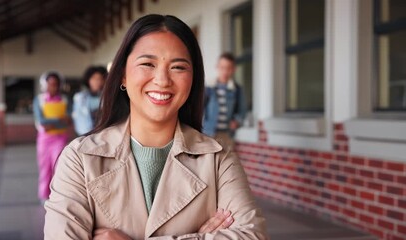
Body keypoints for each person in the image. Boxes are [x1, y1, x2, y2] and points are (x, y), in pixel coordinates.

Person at [44, 14, 267, 240]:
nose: (162, 80)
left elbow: (253, 235)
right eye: (148, 64)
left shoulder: (219, 159)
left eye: (178, 67)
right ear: (122, 74)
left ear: (193, 79)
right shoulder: (80, 159)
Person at [33, 71, 72, 202]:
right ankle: (44, 196)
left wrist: (52, 122)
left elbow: (68, 120)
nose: (53, 87)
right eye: (50, 84)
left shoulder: (65, 100)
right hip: (44, 140)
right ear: (44, 85)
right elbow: (42, 122)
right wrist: (59, 120)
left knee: (59, 166)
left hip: (60, 138)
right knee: (45, 168)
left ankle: (57, 195)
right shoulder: (39, 100)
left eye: (55, 84)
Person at [203, 53, 247, 147]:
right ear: (217, 67)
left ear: (233, 69)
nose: (225, 71)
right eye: (222, 67)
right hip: (208, 133)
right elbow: (200, 108)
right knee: (210, 160)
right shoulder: (209, 87)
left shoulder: (237, 89)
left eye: (228, 68)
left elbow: (242, 110)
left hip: (227, 134)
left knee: (227, 160)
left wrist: (237, 121)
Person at [72, 66, 108, 135]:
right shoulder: (79, 97)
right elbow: (77, 117)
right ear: (88, 80)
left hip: (103, 134)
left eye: (100, 78)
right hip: (85, 133)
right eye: (94, 78)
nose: (98, 81)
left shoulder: (108, 96)